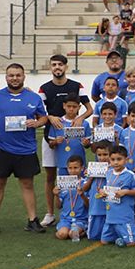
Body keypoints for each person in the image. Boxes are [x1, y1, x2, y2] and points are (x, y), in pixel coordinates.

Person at [0, 64, 48, 235]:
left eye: (18, 75)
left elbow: (43, 117)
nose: (14, 78)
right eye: (11, 75)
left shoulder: (33, 98)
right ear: (6, 77)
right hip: (0, 148)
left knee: (27, 184)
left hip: (26, 149)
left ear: (24, 76)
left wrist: (37, 123)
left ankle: (33, 220)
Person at [37, 54, 90, 227]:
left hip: (73, 137)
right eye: (54, 65)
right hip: (52, 135)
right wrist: (50, 116)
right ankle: (51, 213)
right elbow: (39, 112)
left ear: (66, 66)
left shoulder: (76, 85)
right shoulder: (44, 88)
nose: (57, 67)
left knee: (77, 173)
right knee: (52, 176)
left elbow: (89, 109)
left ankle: (80, 212)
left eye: (60, 64)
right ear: (50, 68)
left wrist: (81, 118)